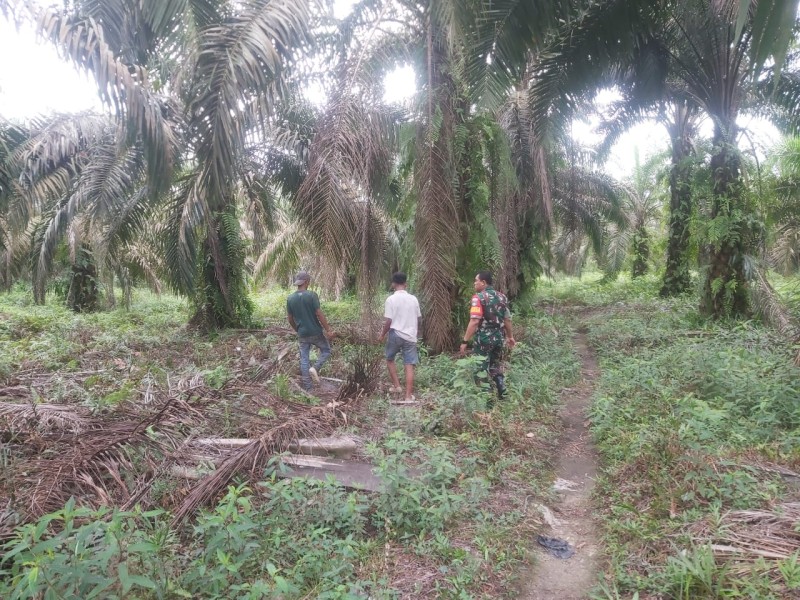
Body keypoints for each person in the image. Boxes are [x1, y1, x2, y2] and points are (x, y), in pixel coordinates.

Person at [459, 271, 516, 402]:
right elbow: (507, 320)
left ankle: (487, 399)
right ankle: (501, 386)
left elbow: (474, 321)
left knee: (481, 368)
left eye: (476, 280)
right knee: (495, 365)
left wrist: (465, 341)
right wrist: (510, 337)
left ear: (483, 283)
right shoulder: (502, 297)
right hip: (499, 339)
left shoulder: (478, 298)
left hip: (483, 340)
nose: (474, 283)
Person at [286, 271, 334, 391]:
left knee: (304, 360)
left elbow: (290, 318)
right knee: (326, 350)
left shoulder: (290, 298)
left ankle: (308, 388)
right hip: (315, 332)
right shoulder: (312, 295)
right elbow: (319, 313)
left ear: (298, 283)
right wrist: (328, 329)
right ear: (307, 282)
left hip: (302, 333)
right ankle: (315, 368)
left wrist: (297, 329)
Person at [379, 272, 422, 401]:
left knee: (389, 359)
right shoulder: (413, 299)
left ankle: (397, 386)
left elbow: (389, 321)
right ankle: (408, 396)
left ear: (393, 284)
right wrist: (416, 331)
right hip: (410, 336)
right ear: (405, 284)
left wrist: (382, 335)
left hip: (395, 334)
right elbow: (419, 318)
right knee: (409, 365)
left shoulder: (391, 299)